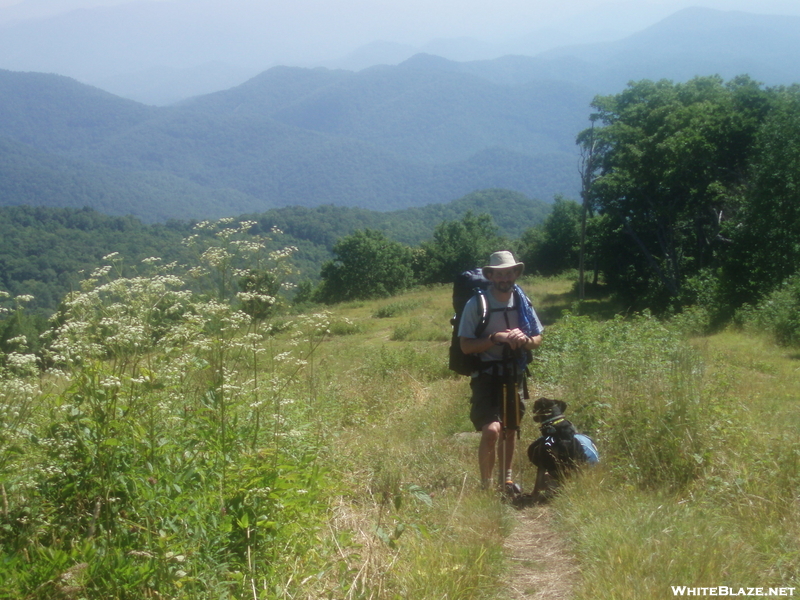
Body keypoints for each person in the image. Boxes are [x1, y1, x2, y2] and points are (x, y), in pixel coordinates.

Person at [458, 251, 543, 493]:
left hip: (512, 372)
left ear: (515, 273)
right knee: (492, 429)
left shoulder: (522, 301)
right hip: (485, 374)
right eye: (499, 273)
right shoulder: (477, 304)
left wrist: (523, 339)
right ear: (491, 276)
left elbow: (537, 339)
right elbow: (465, 345)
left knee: (511, 427)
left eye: (509, 272)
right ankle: (486, 487)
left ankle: (506, 480)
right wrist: (496, 338)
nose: (505, 277)